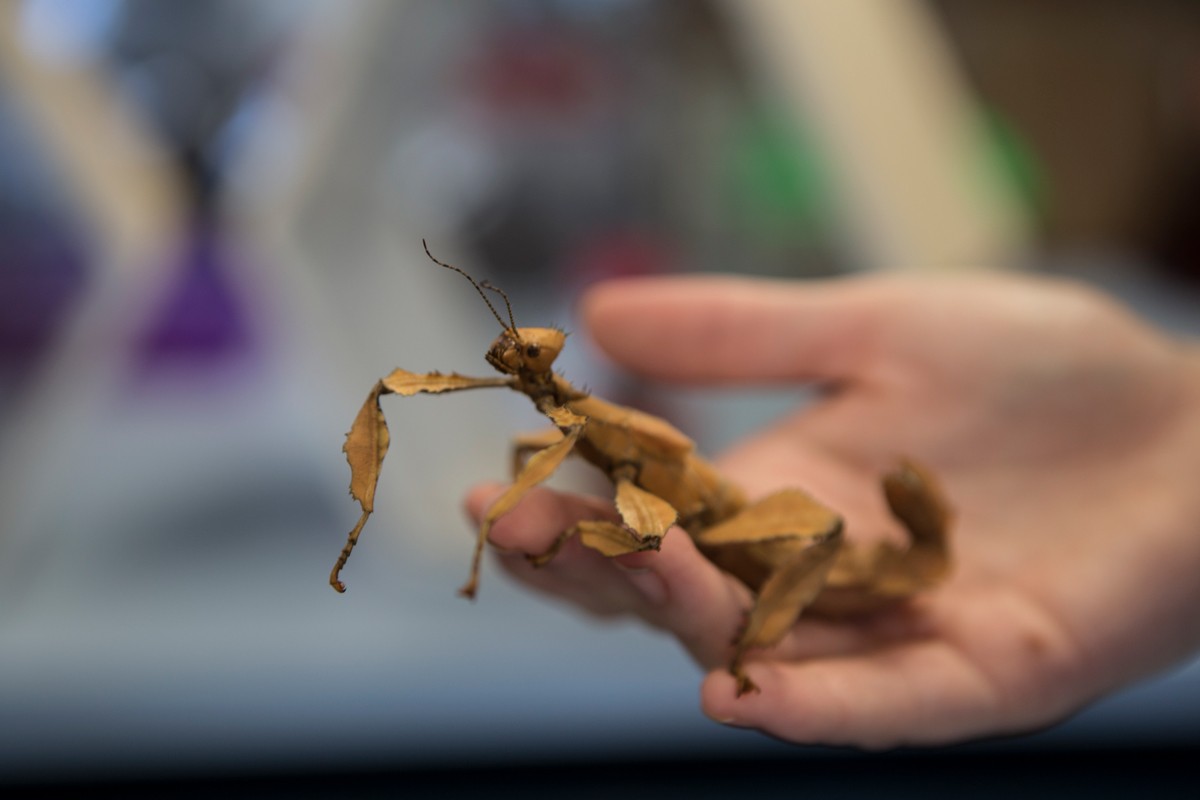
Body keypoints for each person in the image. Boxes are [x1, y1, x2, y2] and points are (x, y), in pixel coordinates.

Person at [464, 270, 1200, 749]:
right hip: (724, 528)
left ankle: (765, 633)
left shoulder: (639, 451)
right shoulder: (593, 437)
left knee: (800, 531)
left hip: (799, 547)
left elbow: (643, 516)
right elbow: (550, 459)